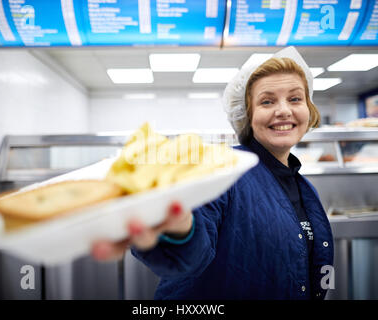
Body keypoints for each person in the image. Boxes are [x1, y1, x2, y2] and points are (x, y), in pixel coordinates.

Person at [91, 46, 334, 300]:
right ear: (248, 116)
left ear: (309, 109)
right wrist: (179, 230)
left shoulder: (306, 188)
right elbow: (194, 243)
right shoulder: (225, 170)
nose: (284, 110)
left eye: (295, 98)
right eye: (267, 101)